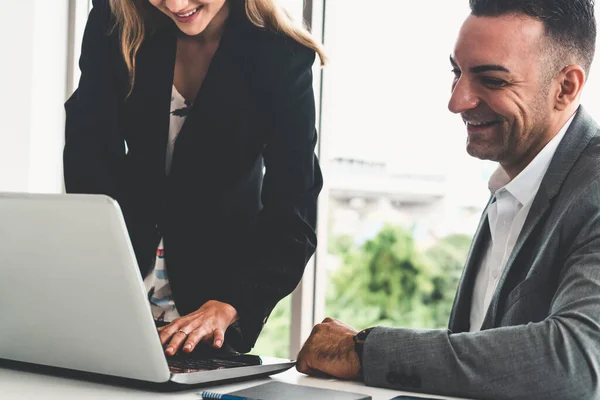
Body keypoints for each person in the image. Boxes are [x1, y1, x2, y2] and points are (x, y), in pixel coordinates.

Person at [297, 0, 600, 399]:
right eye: (457, 73)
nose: (457, 101)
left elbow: (574, 360)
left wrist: (364, 351)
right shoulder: (511, 185)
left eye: (491, 80)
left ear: (566, 87)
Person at [64, 0, 324, 356]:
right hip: (111, 289)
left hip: (210, 308)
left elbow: (294, 211)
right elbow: (87, 156)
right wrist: (94, 262)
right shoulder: (117, 22)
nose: (175, 4)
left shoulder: (282, 55)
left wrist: (233, 303)